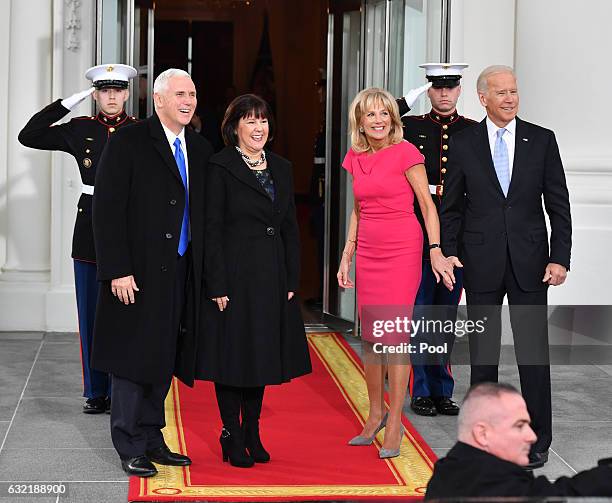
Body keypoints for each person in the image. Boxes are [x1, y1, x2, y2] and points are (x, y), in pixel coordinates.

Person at [440, 65, 572, 469]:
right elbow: (452, 208)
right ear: (483, 98)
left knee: (533, 355)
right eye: (501, 93)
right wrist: (447, 251)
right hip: (480, 261)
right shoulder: (463, 144)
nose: (510, 98)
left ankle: (537, 440)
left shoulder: (542, 140)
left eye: (514, 91)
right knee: (483, 356)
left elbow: (558, 204)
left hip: (532, 263)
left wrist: (559, 256)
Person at [91, 68, 214, 477]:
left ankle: (151, 437)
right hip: (136, 272)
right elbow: (107, 210)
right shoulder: (128, 140)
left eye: (192, 94)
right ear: (158, 99)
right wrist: (117, 270)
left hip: (180, 271)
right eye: (180, 94)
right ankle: (128, 443)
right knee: (131, 358)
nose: (188, 101)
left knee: (163, 357)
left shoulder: (199, 147)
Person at [195, 94, 312, 468]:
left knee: (260, 354)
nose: (258, 127)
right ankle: (231, 432)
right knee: (233, 357)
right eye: (250, 121)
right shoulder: (221, 166)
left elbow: (291, 227)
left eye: (263, 120)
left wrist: (292, 277)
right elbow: (211, 230)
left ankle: (253, 431)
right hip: (233, 276)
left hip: (271, 276)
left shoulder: (282, 167)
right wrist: (216, 284)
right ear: (234, 128)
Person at [337, 88, 451, 459]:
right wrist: (347, 253)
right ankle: (375, 415)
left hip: (402, 249)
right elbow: (358, 208)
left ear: (393, 118)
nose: (379, 120)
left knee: (395, 336)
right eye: (371, 115)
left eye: (384, 113)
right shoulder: (355, 156)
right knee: (372, 337)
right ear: (360, 121)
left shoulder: (406, 153)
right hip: (368, 250)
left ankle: (397, 421)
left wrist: (435, 250)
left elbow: (427, 206)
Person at [18, 64, 138, 415]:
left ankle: (124, 388)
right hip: (89, 225)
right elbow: (30, 135)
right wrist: (69, 102)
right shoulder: (80, 129)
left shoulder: (141, 131)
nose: (112, 96)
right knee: (91, 313)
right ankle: (96, 390)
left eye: (117, 90)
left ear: (128, 93)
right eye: (104, 91)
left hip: (130, 227)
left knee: (127, 314)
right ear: (95, 95)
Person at [397, 63, 477, 418]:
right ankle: (422, 390)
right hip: (417, 228)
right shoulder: (411, 127)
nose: (444, 93)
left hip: (457, 234)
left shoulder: (475, 131)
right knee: (421, 311)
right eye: (437, 87)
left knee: (445, 313)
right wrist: (402, 103)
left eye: (450, 87)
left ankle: (443, 390)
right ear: (428, 91)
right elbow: (374, 124)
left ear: (460, 90)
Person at [426, 382, 612, 498]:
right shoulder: (494, 487)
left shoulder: (448, 471)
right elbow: (568, 493)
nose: (531, 436)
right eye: (519, 425)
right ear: (482, 434)